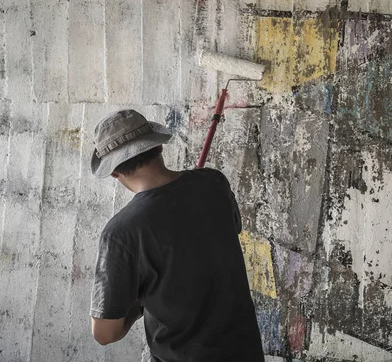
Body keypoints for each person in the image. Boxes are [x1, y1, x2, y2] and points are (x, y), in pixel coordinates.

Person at [89, 109, 264, 361]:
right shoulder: (214, 183)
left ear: (114, 171)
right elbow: (224, 234)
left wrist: (137, 300)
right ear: (159, 147)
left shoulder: (121, 233)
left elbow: (105, 333)